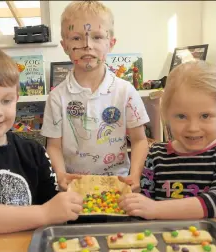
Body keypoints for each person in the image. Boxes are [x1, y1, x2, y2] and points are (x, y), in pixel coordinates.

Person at [0, 44, 83, 234]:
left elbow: (51, 203)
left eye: (6, 101)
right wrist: (45, 213)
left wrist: (67, 195)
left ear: (17, 98)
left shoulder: (34, 151)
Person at [41, 1, 150, 191]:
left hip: (118, 185)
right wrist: (61, 175)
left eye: (97, 37)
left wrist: (135, 175)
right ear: (65, 45)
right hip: (74, 187)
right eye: (76, 38)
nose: (87, 45)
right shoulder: (57, 97)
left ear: (111, 43)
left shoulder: (125, 92)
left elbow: (140, 140)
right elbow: (54, 146)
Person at [118, 60, 216, 219]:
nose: (193, 127)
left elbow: (213, 202)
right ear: (166, 115)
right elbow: (141, 203)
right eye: (181, 116)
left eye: (205, 116)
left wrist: (155, 209)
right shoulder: (155, 155)